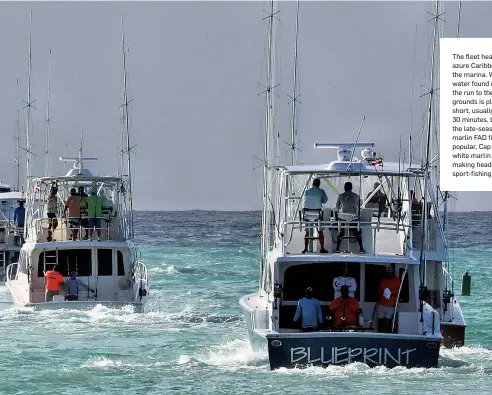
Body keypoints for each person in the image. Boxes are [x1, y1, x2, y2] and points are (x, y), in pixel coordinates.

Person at [335, 182, 365, 253]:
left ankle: (337, 248)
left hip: (343, 219)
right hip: (353, 218)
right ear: (351, 188)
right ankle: (361, 248)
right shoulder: (356, 196)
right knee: (357, 231)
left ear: (344, 188)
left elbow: (337, 207)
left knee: (341, 232)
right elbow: (359, 206)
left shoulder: (340, 196)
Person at [302, 178, 328, 254]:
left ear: (312, 184)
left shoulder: (307, 191)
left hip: (307, 215)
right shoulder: (321, 191)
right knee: (320, 231)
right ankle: (322, 248)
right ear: (319, 184)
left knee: (307, 232)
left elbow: (304, 202)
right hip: (317, 216)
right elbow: (325, 201)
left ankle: (305, 248)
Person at [376, 266, 401, 333]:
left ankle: (387, 333)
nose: (389, 274)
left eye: (390, 273)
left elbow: (399, 290)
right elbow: (379, 290)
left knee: (388, 320)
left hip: (391, 304)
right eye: (388, 273)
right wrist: (383, 291)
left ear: (393, 273)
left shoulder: (397, 280)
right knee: (380, 320)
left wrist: (390, 291)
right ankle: (380, 333)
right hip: (381, 304)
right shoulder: (383, 280)